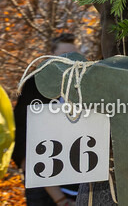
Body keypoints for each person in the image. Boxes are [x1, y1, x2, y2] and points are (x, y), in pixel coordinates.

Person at [12, 34, 81, 206]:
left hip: (76, 180)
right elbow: (23, 131)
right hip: (41, 180)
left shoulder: (85, 87)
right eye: (63, 56)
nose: (68, 62)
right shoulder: (34, 85)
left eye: (74, 55)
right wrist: (60, 199)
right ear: (51, 57)